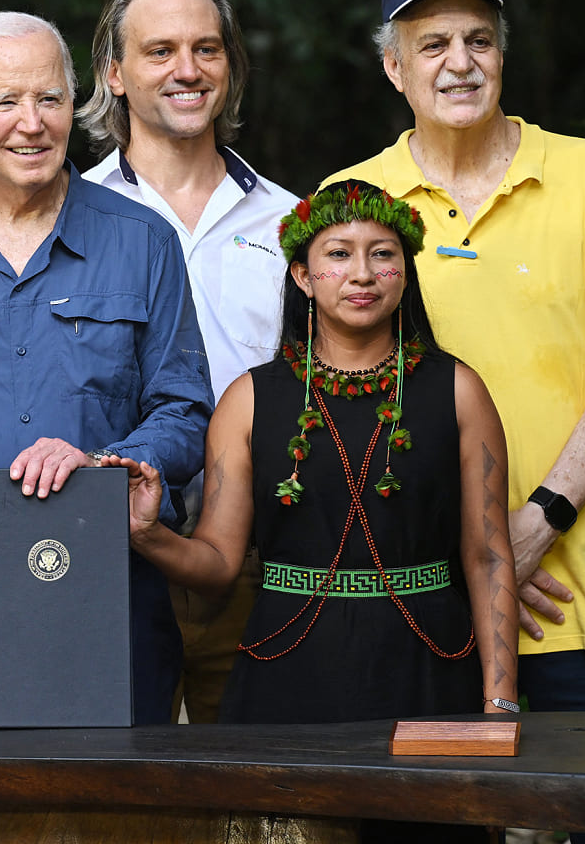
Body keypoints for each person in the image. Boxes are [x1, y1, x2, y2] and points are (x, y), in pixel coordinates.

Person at [324, 0, 585, 844]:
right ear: (393, 66)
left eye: (479, 39)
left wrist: (533, 527)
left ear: (503, 55)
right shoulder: (351, 202)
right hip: (421, 608)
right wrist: (475, 561)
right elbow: (332, 413)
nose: (460, 62)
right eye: (432, 41)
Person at [120, 181, 518, 842]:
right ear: (302, 274)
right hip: (288, 674)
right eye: (339, 254)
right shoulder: (249, 401)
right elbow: (217, 564)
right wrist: (147, 532)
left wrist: (499, 701)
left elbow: (488, 552)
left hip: (429, 670)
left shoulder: (457, 389)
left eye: (383, 254)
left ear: (405, 269)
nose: (362, 274)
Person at [0, 11, 213, 726]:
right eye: (6, 102)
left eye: (49, 99)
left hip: (110, 588)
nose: (33, 122)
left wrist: (106, 460)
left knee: (122, 822)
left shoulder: (142, 240)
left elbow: (184, 411)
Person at [79, 0, 298, 723]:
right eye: (160, 50)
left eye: (207, 49)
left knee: (257, 795)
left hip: (262, 562)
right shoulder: (70, 219)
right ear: (114, 71)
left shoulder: (292, 223)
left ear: (231, 67)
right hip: (102, 552)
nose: (187, 69)